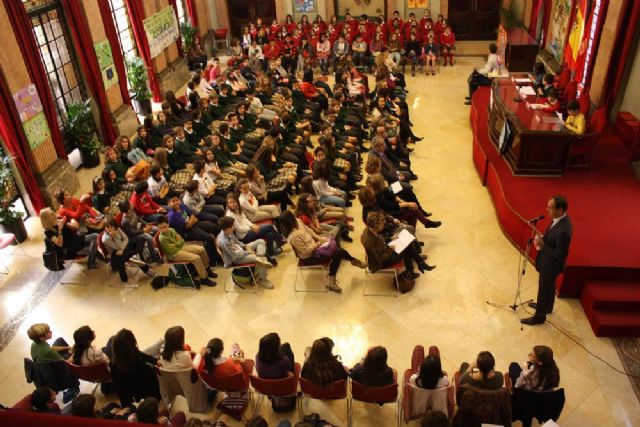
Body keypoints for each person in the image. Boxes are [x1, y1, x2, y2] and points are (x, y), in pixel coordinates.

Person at [279, 210, 365, 293]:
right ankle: (337, 277)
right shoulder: (293, 236)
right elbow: (305, 251)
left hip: (314, 246)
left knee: (338, 251)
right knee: (338, 253)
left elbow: (309, 231)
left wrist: (318, 238)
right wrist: (318, 244)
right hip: (309, 257)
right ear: (290, 220)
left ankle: (353, 261)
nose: (295, 215)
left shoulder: (298, 221)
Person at [522, 195, 572, 325]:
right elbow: (552, 238)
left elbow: (560, 254)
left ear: (560, 210)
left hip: (551, 265)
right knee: (549, 287)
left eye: (550, 208)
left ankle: (539, 317)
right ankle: (547, 307)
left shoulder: (564, 231)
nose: (546, 210)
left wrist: (544, 246)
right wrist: (544, 239)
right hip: (548, 263)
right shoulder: (558, 219)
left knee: (544, 289)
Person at [362, 211, 434, 280]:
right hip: (381, 263)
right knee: (406, 247)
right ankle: (418, 264)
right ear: (376, 225)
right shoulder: (372, 241)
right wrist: (390, 249)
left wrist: (391, 238)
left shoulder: (368, 230)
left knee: (406, 241)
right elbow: (381, 258)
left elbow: (380, 240)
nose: (384, 224)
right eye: (382, 223)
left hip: (382, 251)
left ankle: (416, 266)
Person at [216, 216, 274, 289]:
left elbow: (236, 241)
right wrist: (247, 252)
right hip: (236, 259)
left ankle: (258, 268)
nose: (234, 227)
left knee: (260, 241)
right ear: (227, 228)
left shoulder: (228, 232)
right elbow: (235, 256)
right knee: (261, 259)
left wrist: (245, 246)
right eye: (232, 226)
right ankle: (262, 280)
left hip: (240, 250)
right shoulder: (223, 242)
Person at [157, 215, 216, 287]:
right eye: (160, 228)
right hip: (174, 254)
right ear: (158, 227)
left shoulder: (172, 230)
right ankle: (203, 278)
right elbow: (171, 250)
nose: (163, 229)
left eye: (165, 226)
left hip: (181, 247)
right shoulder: (162, 238)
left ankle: (207, 269)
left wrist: (176, 244)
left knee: (202, 249)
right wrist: (178, 243)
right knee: (196, 258)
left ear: (168, 224)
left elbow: (181, 239)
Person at [109, 329, 161, 407]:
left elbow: (120, 390)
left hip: (132, 395)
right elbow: (155, 389)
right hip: (146, 395)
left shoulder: (113, 365)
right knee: (161, 345)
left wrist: (155, 360)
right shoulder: (142, 367)